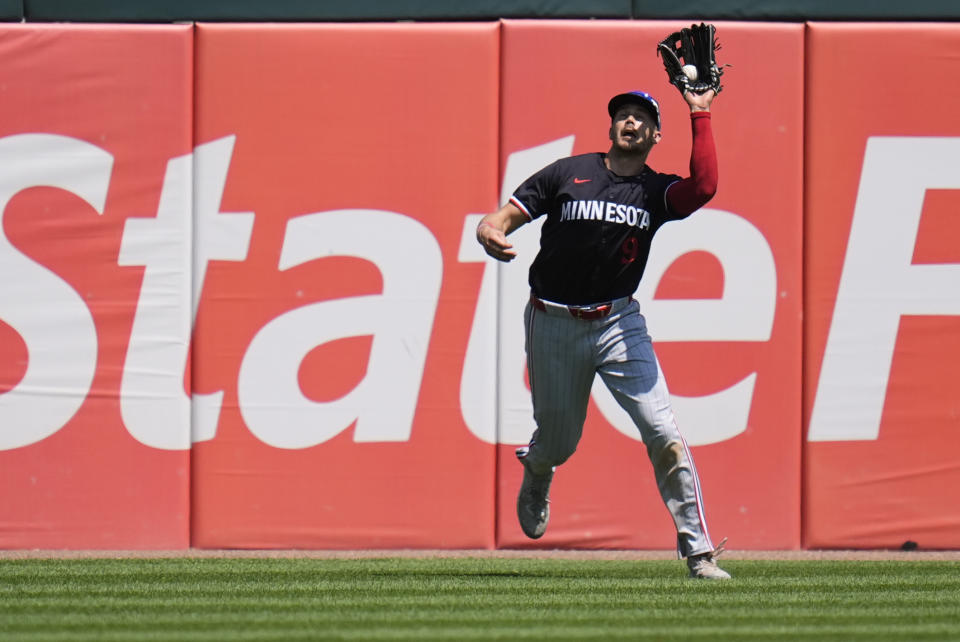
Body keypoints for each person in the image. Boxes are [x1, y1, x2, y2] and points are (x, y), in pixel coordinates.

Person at [475, 86, 730, 580]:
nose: (630, 122)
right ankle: (539, 467)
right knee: (559, 443)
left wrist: (700, 113)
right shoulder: (566, 173)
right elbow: (500, 218)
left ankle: (699, 552)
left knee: (663, 432)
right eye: (623, 116)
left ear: (656, 135)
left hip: (618, 321)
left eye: (641, 118)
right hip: (552, 320)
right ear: (612, 128)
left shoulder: (655, 192)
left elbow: (703, 188)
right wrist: (489, 230)